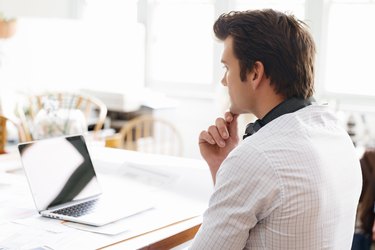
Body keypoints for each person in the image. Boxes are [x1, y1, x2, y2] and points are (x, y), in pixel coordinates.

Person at [190, 9, 362, 249]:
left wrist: (237, 163)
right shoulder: (338, 137)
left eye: (227, 67)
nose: (224, 80)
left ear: (254, 73)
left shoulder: (256, 156)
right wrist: (223, 166)